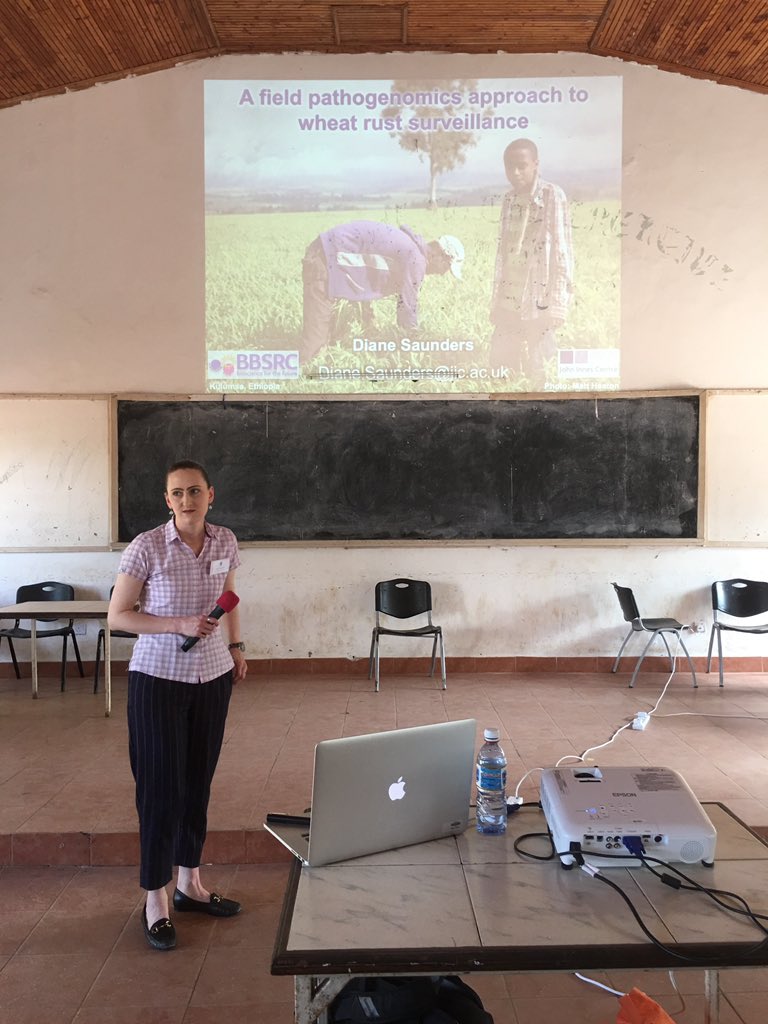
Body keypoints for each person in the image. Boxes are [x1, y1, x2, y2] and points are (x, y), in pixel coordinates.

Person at [108, 459, 248, 951]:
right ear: (166, 500)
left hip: (211, 678)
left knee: (196, 783)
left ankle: (190, 883)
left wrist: (235, 648)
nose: (186, 499)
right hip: (158, 680)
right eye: (176, 493)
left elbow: (229, 596)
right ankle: (156, 897)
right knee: (159, 788)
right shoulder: (146, 546)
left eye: (195, 490)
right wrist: (178, 624)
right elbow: (119, 616)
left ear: (211, 494)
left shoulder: (225, 540)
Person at [302, 220, 464, 359]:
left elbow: (366, 280)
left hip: (328, 255)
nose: (443, 274)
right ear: (440, 255)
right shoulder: (416, 260)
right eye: (447, 267)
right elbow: (407, 308)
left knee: (334, 338)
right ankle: (296, 380)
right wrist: (413, 344)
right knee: (314, 348)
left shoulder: (410, 249)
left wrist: (370, 324)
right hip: (324, 259)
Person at [490, 138, 574, 388]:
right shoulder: (508, 200)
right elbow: (502, 254)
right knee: (500, 369)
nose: (515, 173)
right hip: (509, 297)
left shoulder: (551, 195)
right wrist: (496, 300)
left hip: (539, 300)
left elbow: (562, 250)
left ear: (536, 164)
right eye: (509, 167)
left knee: (541, 371)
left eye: (522, 166)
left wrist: (558, 305)